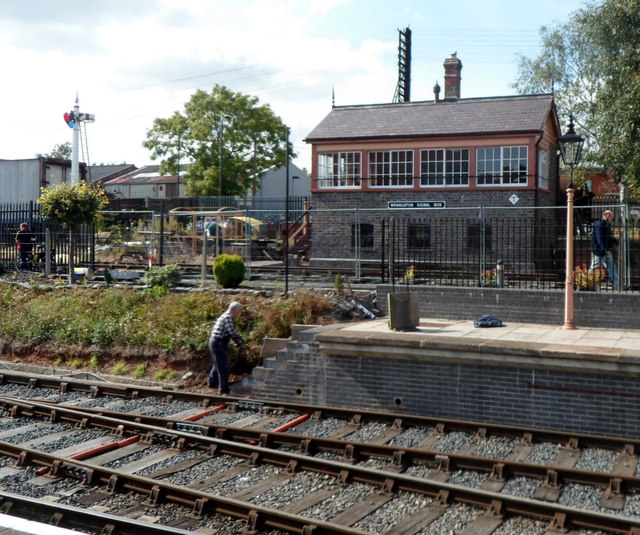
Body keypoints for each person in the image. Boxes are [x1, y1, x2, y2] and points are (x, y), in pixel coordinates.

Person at [207, 301, 244, 394]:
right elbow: (232, 332)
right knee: (223, 365)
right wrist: (240, 340)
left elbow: (230, 334)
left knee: (218, 364)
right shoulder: (227, 317)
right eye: (239, 312)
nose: (239, 314)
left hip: (216, 342)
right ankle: (223, 388)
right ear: (235, 310)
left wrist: (239, 342)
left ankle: (212, 383)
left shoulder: (225, 316)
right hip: (217, 342)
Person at [591, 210, 619, 290]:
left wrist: (615, 241)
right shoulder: (599, 224)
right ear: (607, 215)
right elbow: (599, 239)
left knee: (612, 268)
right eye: (611, 217)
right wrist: (605, 250)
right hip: (600, 251)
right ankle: (587, 282)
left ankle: (617, 285)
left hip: (607, 251)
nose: (612, 219)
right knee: (594, 267)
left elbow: (608, 237)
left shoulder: (607, 225)